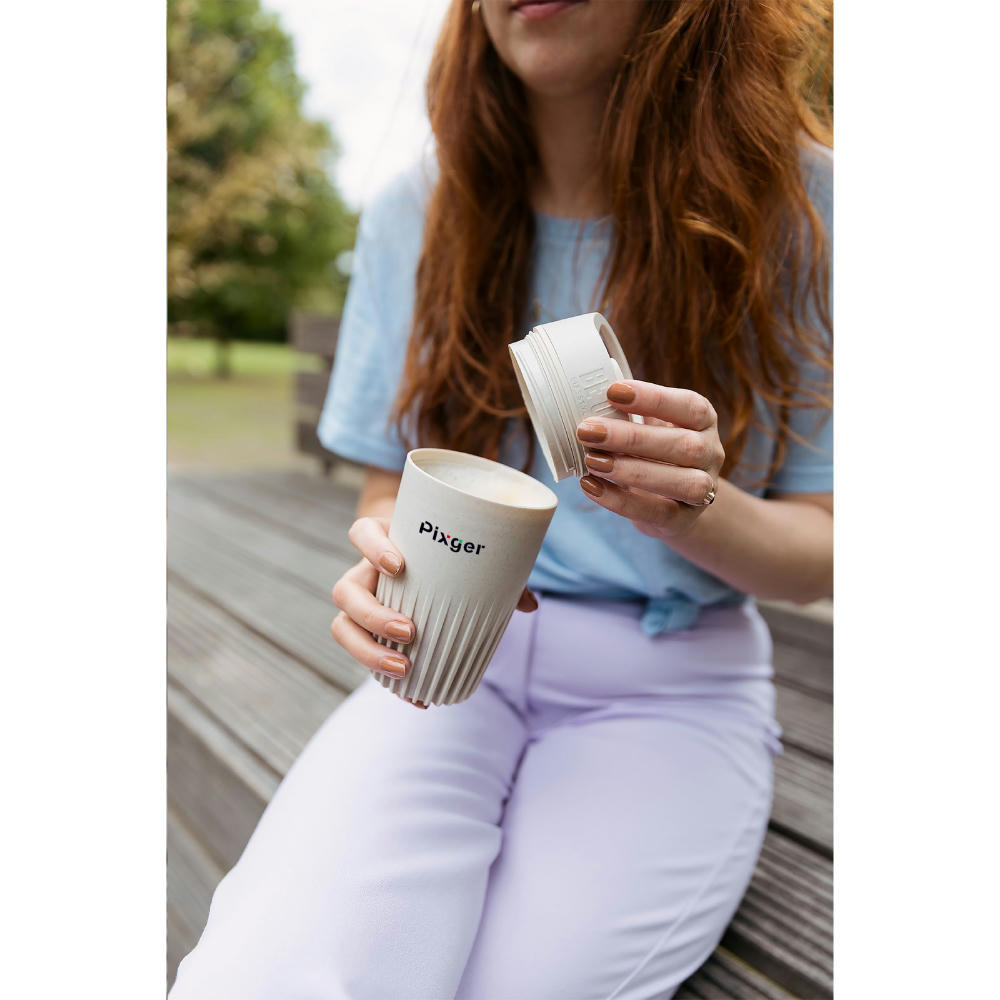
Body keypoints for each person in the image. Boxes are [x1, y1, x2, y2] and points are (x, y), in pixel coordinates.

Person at [171, 0, 832, 996]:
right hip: (455, 665)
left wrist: (691, 503)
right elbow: (390, 482)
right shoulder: (419, 209)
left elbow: (824, 549)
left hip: (668, 682)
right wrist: (382, 565)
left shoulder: (806, 207)